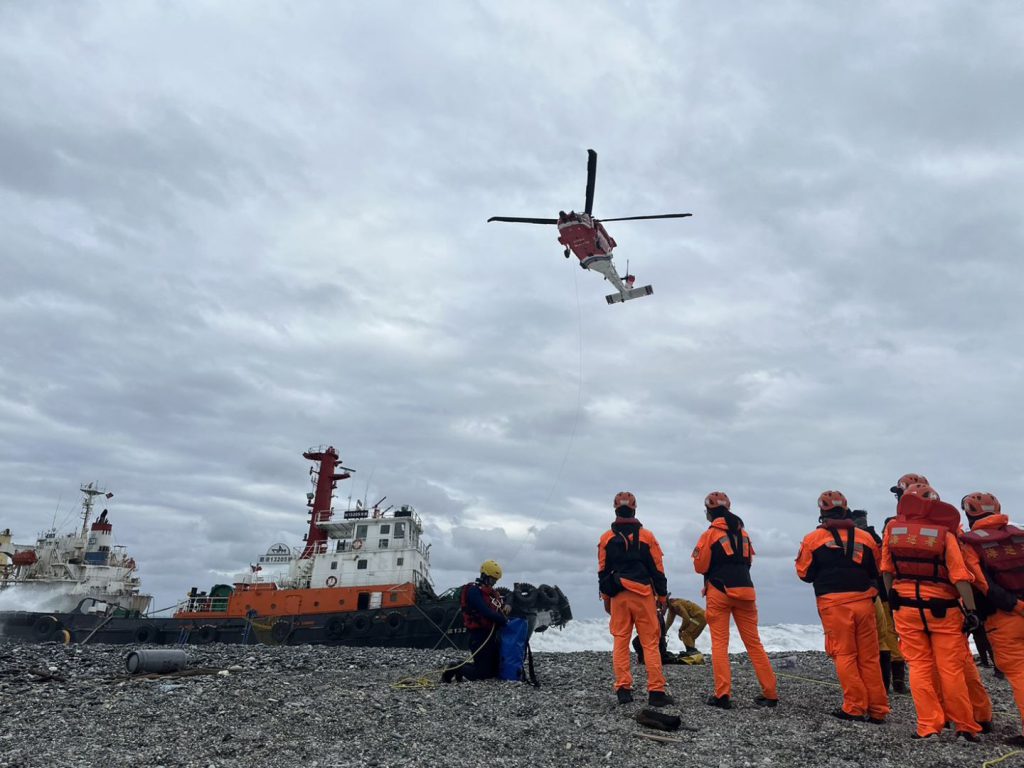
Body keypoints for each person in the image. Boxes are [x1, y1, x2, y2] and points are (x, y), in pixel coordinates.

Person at [880, 483, 982, 741]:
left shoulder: (893, 530)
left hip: (906, 607)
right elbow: (960, 576)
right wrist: (971, 611)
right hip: (943, 609)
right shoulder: (945, 535)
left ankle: (928, 727)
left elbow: (887, 570)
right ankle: (965, 727)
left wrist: (893, 599)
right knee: (951, 669)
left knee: (919, 667)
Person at [796, 492, 889, 723]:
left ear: (822, 513)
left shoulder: (812, 539)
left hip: (834, 605)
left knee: (844, 655)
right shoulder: (866, 538)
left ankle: (855, 707)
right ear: (846, 509)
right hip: (864, 602)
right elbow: (877, 570)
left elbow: (804, 573)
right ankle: (878, 709)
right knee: (869, 657)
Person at [692, 491, 778, 709]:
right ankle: (770, 694)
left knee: (720, 643)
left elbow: (700, 566)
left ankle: (723, 695)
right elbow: (748, 562)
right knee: (754, 643)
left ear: (710, 512)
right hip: (746, 591)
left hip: (719, 591)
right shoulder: (745, 534)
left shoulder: (709, 534)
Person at [597, 491, 674, 707]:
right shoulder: (648, 536)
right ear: (634, 509)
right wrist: (661, 596)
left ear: (615, 510)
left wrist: (606, 597)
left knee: (620, 641)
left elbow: (603, 570)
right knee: (650, 643)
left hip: (619, 596)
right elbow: (658, 568)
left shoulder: (606, 538)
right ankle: (656, 692)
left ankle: (623, 690)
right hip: (643, 595)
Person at [959, 491, 1024, 746]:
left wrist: (1016, 606)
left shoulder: (971, 544)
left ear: (969, 513)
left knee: (1019, 674)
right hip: (1015, 609)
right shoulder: (1020, 534)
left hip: (1004, 617)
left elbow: (983, 584)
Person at [852, 509, 905, 694]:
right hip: (897, 594)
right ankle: (895, 682)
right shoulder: (878, 539)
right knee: (892, 635)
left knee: (885, 636)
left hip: (879, 595)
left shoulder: (866, 539)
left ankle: (890, 683)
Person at [441, 559, 510, 683]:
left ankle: (460, 666)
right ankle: (454, 668)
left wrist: (508, 605)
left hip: (491, 636)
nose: (493, 583)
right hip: (479, 636)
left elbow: (501, 603)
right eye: (492, 580)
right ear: (484, 576)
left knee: (494, 671)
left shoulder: (492, 594)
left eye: (495, 581)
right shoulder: (474, 591)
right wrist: (503, 620)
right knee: (481, 674)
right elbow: (485, 611)